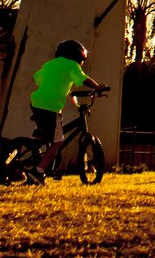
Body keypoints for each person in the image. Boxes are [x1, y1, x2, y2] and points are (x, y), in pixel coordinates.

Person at [27, 39, 105, 183]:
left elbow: (35, 78)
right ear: (77, 56)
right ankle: (38, 171)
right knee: (58, 141)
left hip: (36, 102)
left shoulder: (49, 64)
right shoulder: (72, 65)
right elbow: (83, 79)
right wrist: (97, 87)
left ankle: (31, 158)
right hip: (52, 105)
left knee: (44, 135)